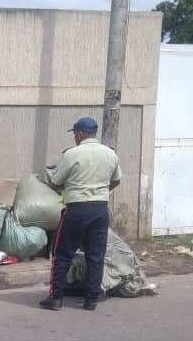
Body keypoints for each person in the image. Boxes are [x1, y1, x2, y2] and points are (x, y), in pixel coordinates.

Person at [39, 117, 122, 311]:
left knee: (62, 254)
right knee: (96, 256)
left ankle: (56, 298)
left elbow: (57, 180)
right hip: (100, 209)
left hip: (76, 210)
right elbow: (117, 180)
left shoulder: (72, 154)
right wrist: (99, 191)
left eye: (75, 133)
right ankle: (91, 300)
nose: (74, 137)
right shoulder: (110, 154)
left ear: (81, 133)